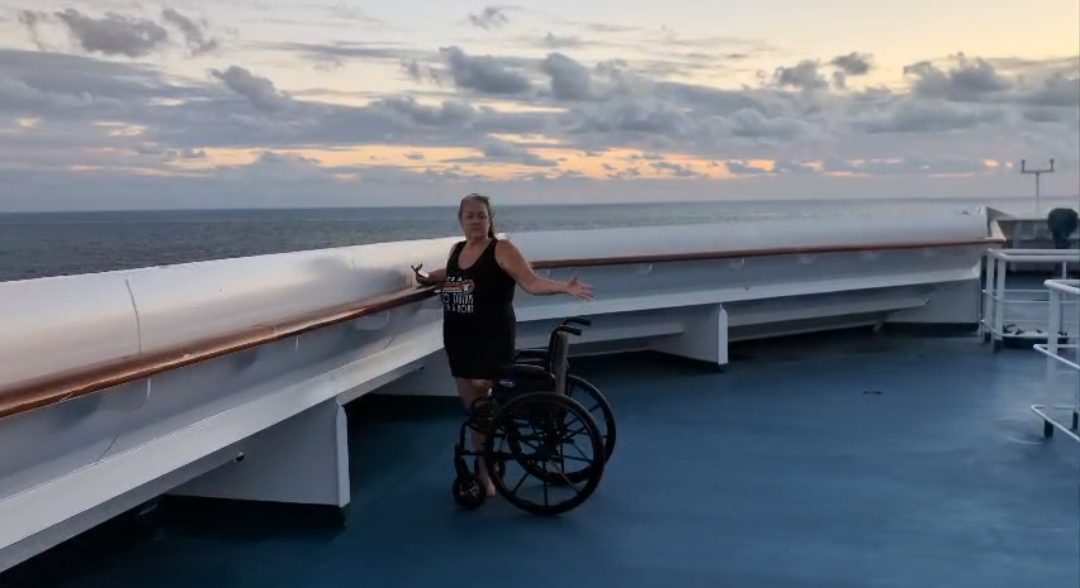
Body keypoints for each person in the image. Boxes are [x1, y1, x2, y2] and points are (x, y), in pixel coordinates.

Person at [412, 193, 593, 496]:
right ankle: (489, 463)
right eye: (469, 215)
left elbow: (531, 282)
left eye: (481, 215)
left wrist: (564, 287)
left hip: (492, 337)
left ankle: (487, 472)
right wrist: (428, 277)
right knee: (474, 410)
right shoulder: (458, 249)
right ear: (460, 220)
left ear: (490, 219)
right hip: (458, 338)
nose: (475, 220)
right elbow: (454, 273)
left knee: (488, 405)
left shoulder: (502, 249)